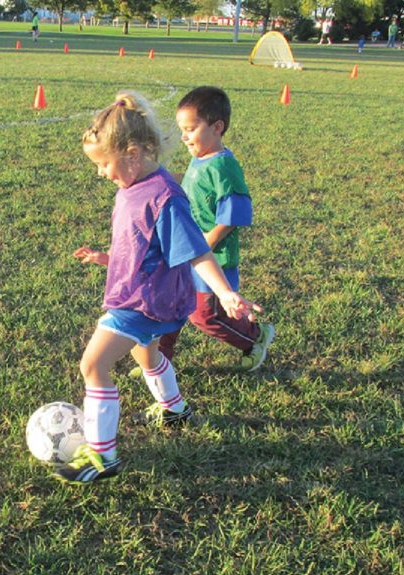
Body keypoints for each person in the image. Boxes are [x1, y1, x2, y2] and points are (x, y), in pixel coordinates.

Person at [60, 91, 265, 484]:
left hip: (142, 302)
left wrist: (224, 293)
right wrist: (107, 258)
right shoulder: (133, 188)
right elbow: (141, 244)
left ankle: (103, 456)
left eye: (104, 164)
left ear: (133, 153)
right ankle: (175, 409)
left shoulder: (165, 196)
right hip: (149, 296)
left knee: (93, 365)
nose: (101, 173)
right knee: (147, 358)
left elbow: (197, 251)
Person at [155, 87, 275, 370]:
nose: (184, 136)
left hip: (212, 256)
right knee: (172, 305)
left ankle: (255, 338)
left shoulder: (224, 167)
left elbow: (234, 214)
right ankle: (158, 360)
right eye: (182, 129)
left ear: (217, 127)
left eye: (191, 129)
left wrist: (204, 244)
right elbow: (195, 187)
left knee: (204, 315)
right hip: (188, 251)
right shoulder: (202, 157)